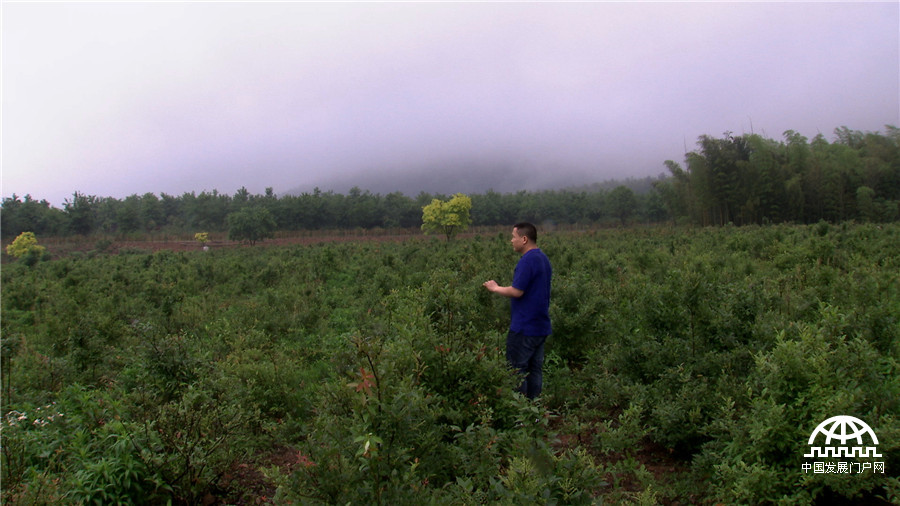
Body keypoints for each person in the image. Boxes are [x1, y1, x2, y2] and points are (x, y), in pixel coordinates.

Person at [483, 222, 552, 399]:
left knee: (517, 370)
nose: (511, 241)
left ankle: (520, 416)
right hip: (540, 325)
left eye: (513, 237)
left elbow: (517, 291)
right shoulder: (543, 259)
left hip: (524, 327)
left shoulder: (527, 261)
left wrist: (495, 288)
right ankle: (534, 413)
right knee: (535, 370)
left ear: (524, 239)